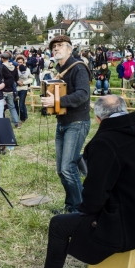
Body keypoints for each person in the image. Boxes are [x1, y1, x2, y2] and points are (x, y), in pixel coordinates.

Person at [16, 95, 135, 268]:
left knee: (58, 224)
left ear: (98, 119)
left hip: (131, 226)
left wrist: (87, 213)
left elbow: (93, 198)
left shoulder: (105, 142)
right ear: (125, 110)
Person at [41, 35, 90, 213]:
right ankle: (72, 206)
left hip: (77, 122)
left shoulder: (78, 68)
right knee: (62, 170)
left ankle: (81, 210)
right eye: (54, 47)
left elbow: (83, 94)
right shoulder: (60, 71)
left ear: (70, 49)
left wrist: (58, 100)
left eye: (60, 46)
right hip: (62, 122)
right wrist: (49, 105)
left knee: (68, 168)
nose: (56, 49)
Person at [0, 52, 20, 128]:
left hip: (3, 89)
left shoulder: (1, 67)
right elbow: (16, 78)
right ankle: (17, 123)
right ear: (8, 59)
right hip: (11, 90)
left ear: (2, 59)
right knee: (12, 107)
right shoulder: (14, 67)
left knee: (0, 107)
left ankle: (2, 123)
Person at [16, 56, 35, 123]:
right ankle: (19, 116)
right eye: (18, 62)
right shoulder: (14, 69)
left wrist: (24, 83)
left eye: (21, 62)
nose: (19, 63)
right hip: (16, 88)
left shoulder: (27, 69)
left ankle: (22, 118)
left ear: (23, 62)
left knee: (21, 103)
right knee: (17, 104)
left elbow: (31, 78)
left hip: (24, 88)